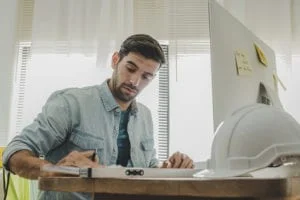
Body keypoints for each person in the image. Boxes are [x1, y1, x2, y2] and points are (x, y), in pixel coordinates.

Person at [2, 34, 194, 199]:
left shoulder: (145, 116)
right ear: (115, 60)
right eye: (131, 68)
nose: (135, 81)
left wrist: (169, 168)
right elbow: (15, 153)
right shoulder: (71, 104)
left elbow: (145, 169)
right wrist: (57, 171)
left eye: (146, 77)